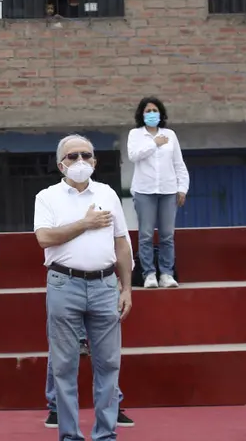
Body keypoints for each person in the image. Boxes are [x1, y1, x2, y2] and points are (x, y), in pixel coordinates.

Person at [34, 135, 133, 441]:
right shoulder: (47, 196)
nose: (80, 161)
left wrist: (127, 288)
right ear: (60, 163)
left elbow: (121, 242)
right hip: (65, 284)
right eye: (72, 156)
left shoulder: (107, 193)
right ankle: (70, 435)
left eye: (85, 155)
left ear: (94, 160)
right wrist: (85, 223)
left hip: (105, 285)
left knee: (108, 363)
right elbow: (44, 239)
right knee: (64, 366)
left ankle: (106, 434)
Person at [126, 96, 189, 289]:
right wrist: (154, 143)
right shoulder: (135, 134)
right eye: (147, 111)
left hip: (168, 190)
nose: (151, 114)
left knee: (167, 235)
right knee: (145, 234)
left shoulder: (170, 134)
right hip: (144, 191)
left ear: (160, 113)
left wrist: (182, 188)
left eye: (155, 110)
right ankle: (149, 274)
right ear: (141, 114)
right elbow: (133, 156)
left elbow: (178, 163)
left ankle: (167, 274)